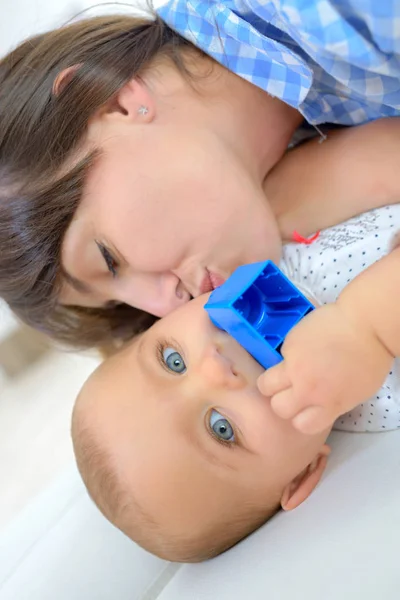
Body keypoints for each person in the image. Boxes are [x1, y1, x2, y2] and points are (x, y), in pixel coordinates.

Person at [72, 118, 400, 562]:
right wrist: (367, 331)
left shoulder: (252, 245)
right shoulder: (374, 396)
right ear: (302, 474)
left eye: (172, 360)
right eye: (221, 429)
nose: (213, 368)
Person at [1, 6, 400, 349]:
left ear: (113, 100)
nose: (167, 305)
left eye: (110, 259)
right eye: (122, 303)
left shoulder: (320, 13)